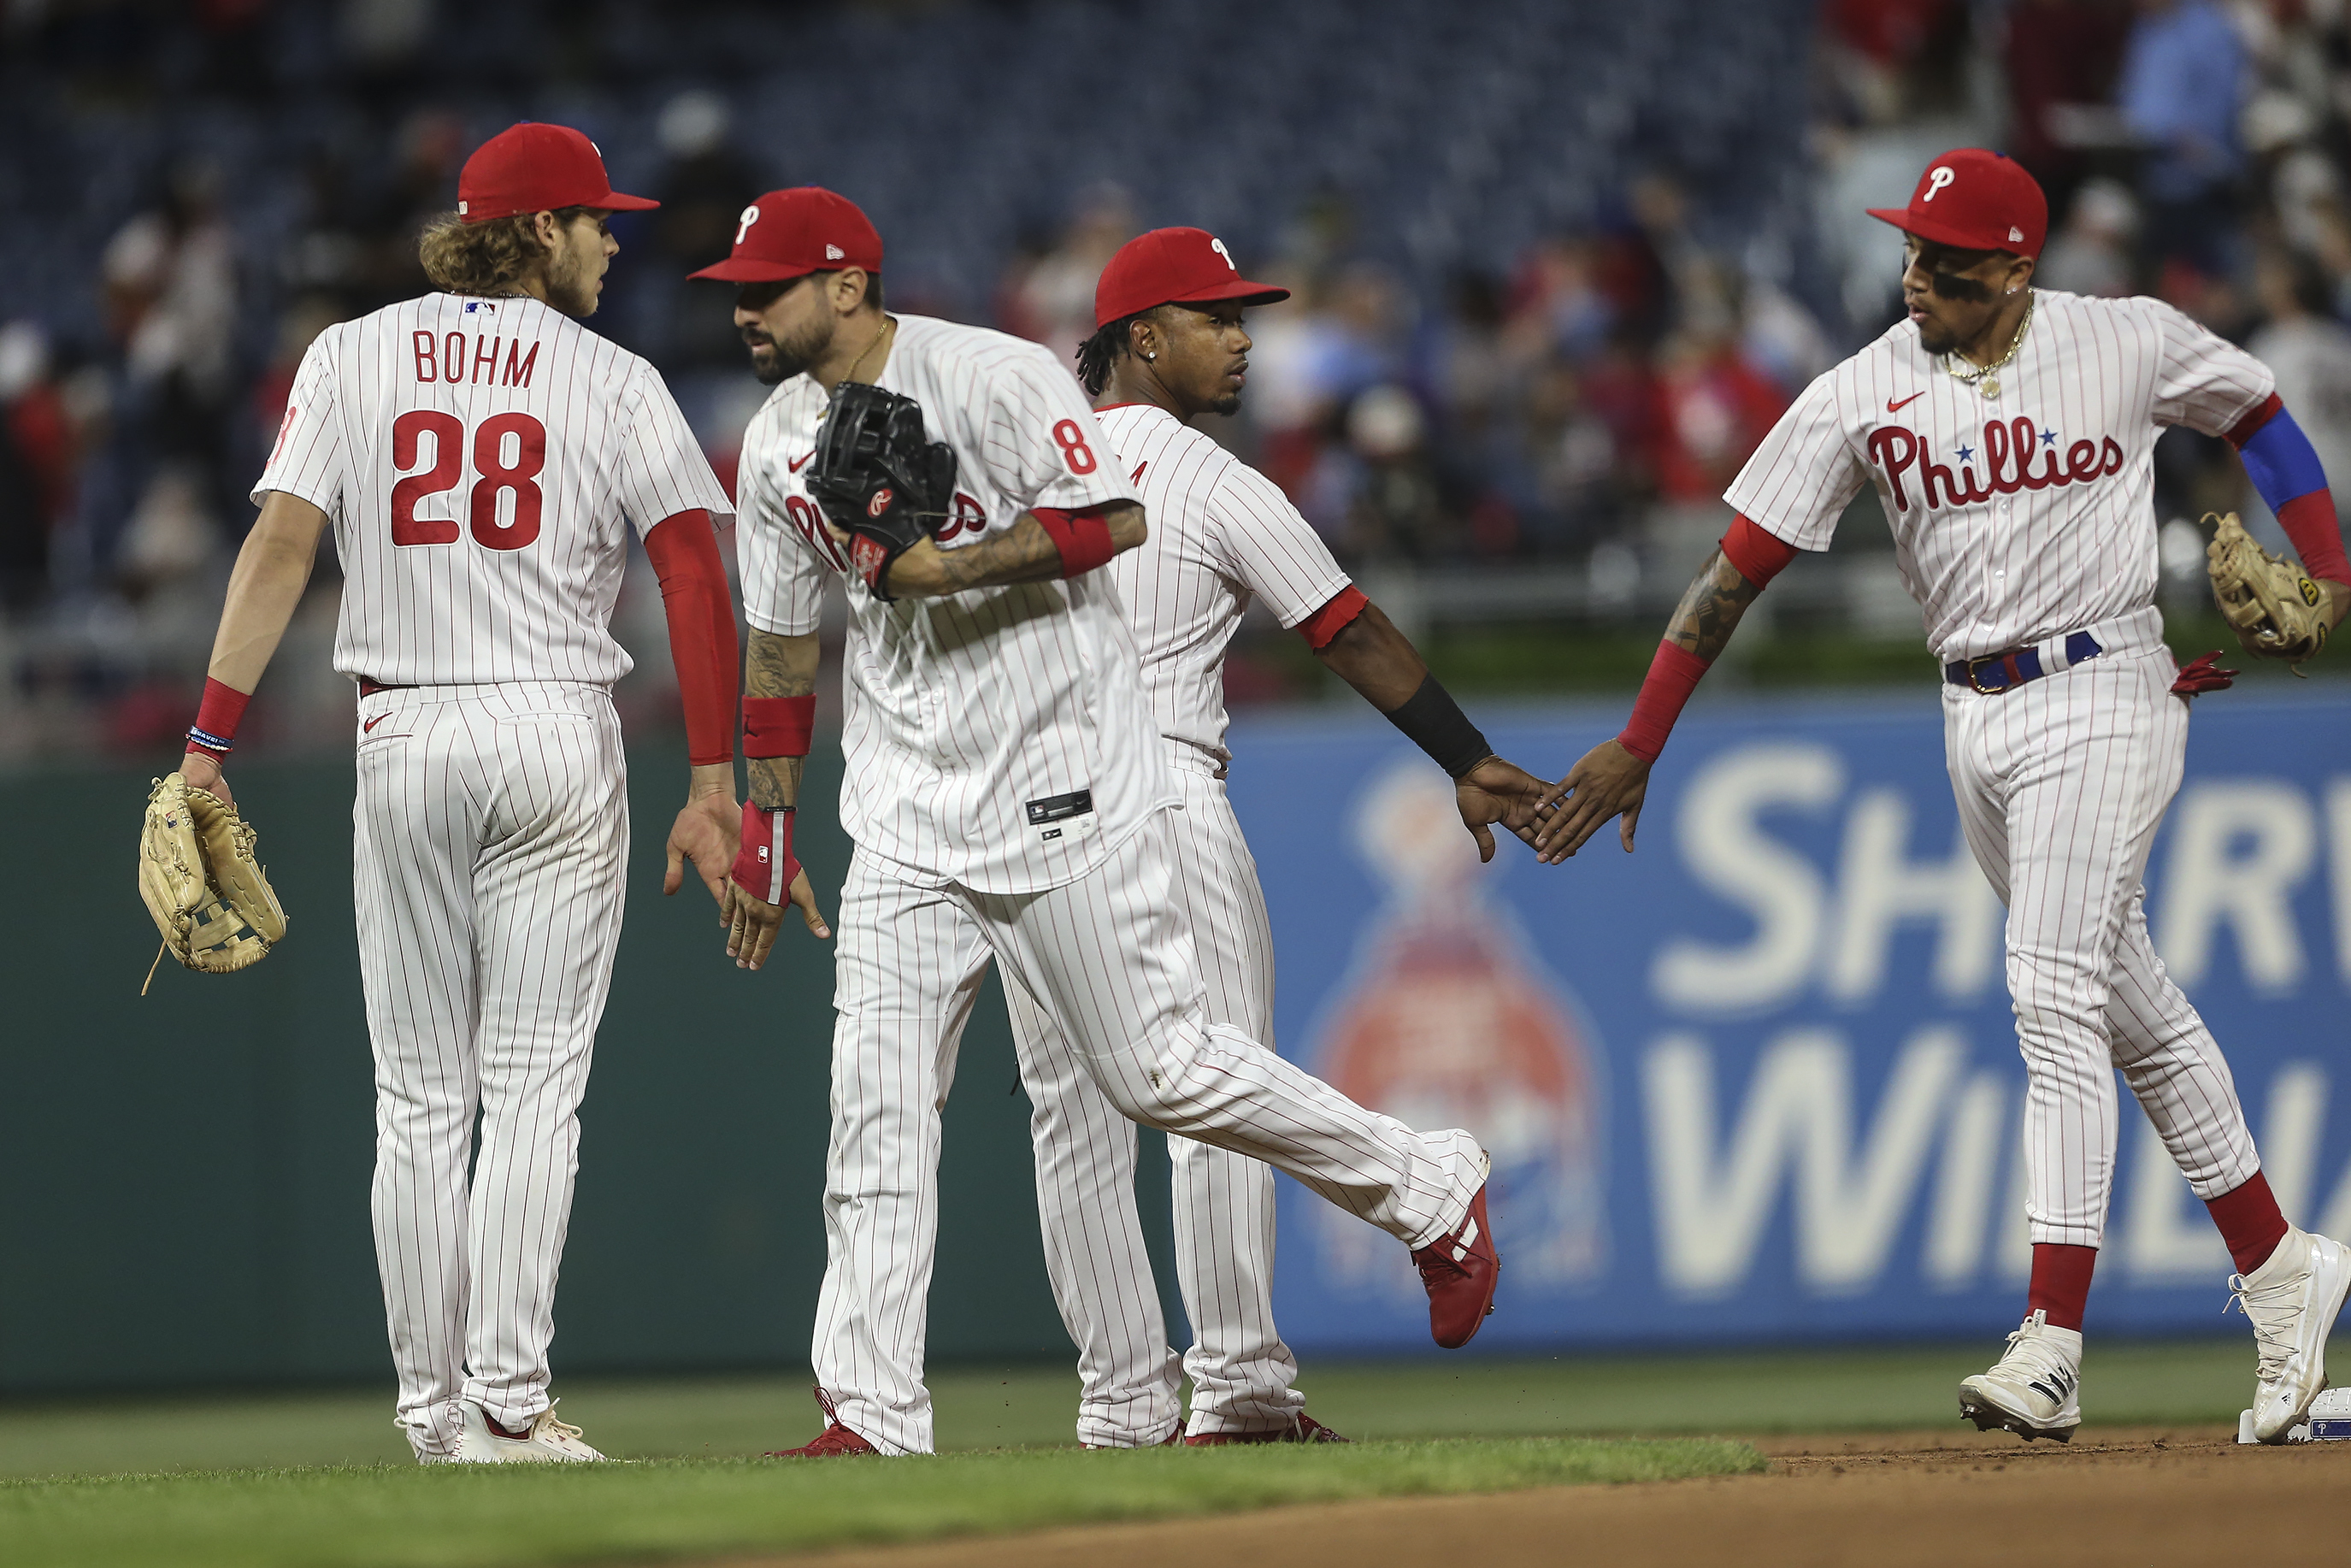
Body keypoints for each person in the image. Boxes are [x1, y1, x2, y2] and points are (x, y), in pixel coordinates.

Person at [1536, 149, 2351, 1446]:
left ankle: (2051, 1340)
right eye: (1911, 253)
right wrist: (1641, 737)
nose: (1915, 277)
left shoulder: (2124, 341)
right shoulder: (1862, 389)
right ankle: (2280, 1268)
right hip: (1969, 714)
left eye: (1947, 264)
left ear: (2017, 268)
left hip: (2105, 681)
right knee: (2123, 998)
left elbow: (2258, 411)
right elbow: (1730, 569)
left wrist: (2332, 568)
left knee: (2046, 989)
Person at [696, 188, 1506, 1458]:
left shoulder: (996, 374)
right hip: (905, 808)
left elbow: (1111, 519)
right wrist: (768, 819)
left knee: (1158, 1069)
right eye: (737, 291)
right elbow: (783, 646)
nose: (745, 310)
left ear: (847, 284)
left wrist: (949, 562)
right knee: (876, 1102)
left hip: (1060, 774)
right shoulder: (778, 439)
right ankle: (870, 1411)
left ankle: (1423, 1179)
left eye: (767, 288)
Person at [177, 123, 745, 1464]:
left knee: (419, 1100)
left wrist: (207, 740)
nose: (614, 237)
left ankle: (435, 1417)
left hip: (406, 738)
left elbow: (279, 544)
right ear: (538, 230)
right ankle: (506, 1397)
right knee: (533, 1089)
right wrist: (711, 776)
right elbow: (692, 574)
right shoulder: (611, 377)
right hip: (554, 729)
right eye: (596, 219)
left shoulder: (349, 352)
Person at [1002, 227, 1555, 1447]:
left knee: (1072, 1111)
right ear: (1144, 338)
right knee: (1210, 1087)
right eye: (1218, 318)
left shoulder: (1016, 468)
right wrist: (1464, 757)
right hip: (1155, 788)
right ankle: (1246, 1380)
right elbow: (1346, 629)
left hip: (1020, 808)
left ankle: (1121, 1403)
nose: (1245, 339)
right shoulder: (1208, 479)